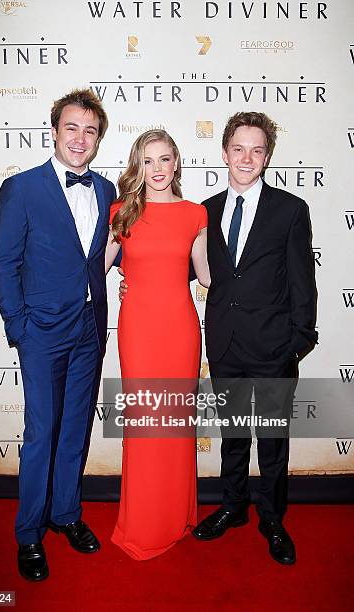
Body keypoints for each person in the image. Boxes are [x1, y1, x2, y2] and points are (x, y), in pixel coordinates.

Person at [0, 89, 116, 581]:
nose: (80, 138)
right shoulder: (22, 188)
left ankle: (66, 514)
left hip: (89, 329)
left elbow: (108, 251)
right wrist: (18, 325)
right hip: (40, 332)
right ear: (54, 131)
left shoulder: (106, 191)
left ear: (98, 137)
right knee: (42, 433)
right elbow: (4, 261)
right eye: (72, 127)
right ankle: (28, 534)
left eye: (90, 130)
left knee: (74, 430)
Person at [192, 112, 317, 565]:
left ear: (267, 156)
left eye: (256, 150)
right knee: (233, 434)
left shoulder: (290, 210)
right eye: (238, 149)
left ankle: (272, 517)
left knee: (272, 438)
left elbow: (303, 282)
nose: (247, 158)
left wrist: (297, 342)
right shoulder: (202, 211)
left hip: (273, 345)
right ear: (224, 152)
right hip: (224, 342)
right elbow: (181, 265)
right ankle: (233, 505)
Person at [105, 129, 210, 560]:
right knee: (146, 424)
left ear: (177, 162)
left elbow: (206, 277)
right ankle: (145, 520)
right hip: (139, 330)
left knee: (175, 426)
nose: (157, 169)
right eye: (148, 161)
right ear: (138, 165)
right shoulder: (121, 211)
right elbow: (95, 265)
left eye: (165, 159)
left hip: (181, 330)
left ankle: (176, 514)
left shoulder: (195, 214)